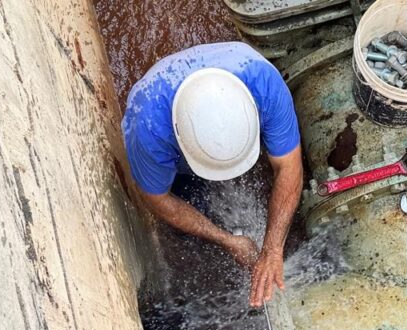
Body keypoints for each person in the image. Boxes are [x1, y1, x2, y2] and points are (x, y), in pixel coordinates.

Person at [121, 42, 303, 307]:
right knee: (187, 210)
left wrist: (273, 249)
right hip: (162, 114)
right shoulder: (147, 128)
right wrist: (225, 240)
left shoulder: (265, 84)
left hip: (237, 72)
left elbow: (289, 166)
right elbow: (157, 199)